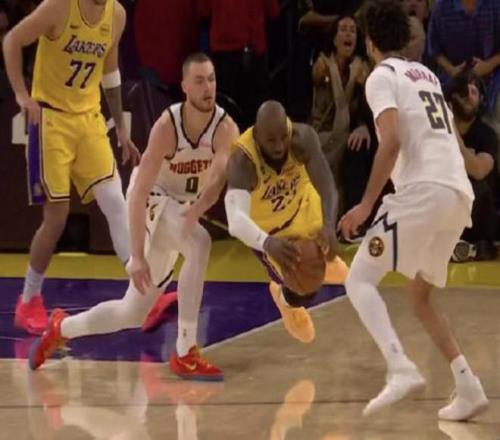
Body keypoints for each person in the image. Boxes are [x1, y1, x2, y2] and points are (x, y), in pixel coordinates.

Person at [28, 53, 240, 381]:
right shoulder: (167, 127)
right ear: (184, 86)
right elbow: (139, 193)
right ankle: (185, 351)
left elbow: (217, 180)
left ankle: (61, 327)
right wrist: (137, 256)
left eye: (211, 79)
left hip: (182, 207)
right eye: (199, 81)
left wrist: (198, 209)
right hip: (151, 198)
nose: (207, 87)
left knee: (131, 312)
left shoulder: (226, 128)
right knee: (199, 243)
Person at [338, 0, 488, 420]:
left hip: (425, 191)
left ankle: (400, 367)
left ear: (370, 43)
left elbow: (391, 141)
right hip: (457, 195)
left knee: (358, 279)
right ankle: (468, 386)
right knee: (420, 296)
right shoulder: (426, 75)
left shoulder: (380, 77)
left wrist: (365, 205)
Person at [2, 0, 141, 334]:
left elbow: (110, 72)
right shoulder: (59, 6)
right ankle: (29, 299)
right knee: (57, 217)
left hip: (89, 118)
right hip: (51, 119)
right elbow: (12, 41)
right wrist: (21, 94)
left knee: (116, 201)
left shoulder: (116, 14)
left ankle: (141, 291)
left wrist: (121, 128)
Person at [224, 100, 346, 344]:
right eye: (271, 140)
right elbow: (235, 220)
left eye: (283, 137)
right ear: (257, 135)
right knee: (304, 287)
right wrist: (267, 243)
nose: (280, 146)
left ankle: (322, 261)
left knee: (332, 264)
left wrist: (329, 226)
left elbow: (327, 187)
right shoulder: (242, 161)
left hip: (302, 206)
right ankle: (285, 300)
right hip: (272, 231)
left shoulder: (302, 138)